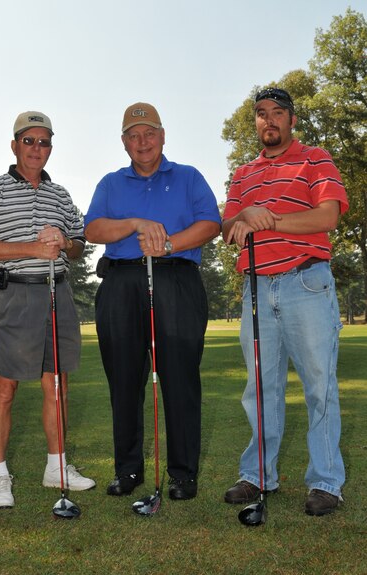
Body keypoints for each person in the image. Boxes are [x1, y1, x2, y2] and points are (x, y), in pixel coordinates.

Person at [84, 102, 221, 500]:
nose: (142, 142)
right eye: (133, 135)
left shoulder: (188, 176)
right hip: (122, 282)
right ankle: (128, 472)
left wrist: (169, 243)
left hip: (176, 278)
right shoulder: (111, 183)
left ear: (162, 136)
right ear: (124, 142)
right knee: (124, 381)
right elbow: (92, 229)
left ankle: (183, 474)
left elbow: (211, 223)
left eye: (149, 133)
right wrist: (134, 224)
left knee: (179, 379)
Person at [222, 88, 348, 516]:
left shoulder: (315, 158)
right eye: (261, 114)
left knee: (319, 387)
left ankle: (326, 481)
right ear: (255, 122)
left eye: (277, 113)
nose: (269, 120)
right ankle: (258, 475)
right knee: (260, 388)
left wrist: (268, 219)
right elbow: (228, 228)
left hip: (306, 282)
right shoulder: (242, 174)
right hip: (257, 287)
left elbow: (327, 215)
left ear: (292, 120)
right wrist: (242, 217)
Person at [0, 111, 95, 509]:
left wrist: (64, 241)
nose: (37, 148)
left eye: (44, 142)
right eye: (29, 141)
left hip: (58, 292)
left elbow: (79, 243)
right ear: (14, 145)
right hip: (16, 294)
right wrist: (32, 248)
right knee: (5, 388)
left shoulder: (60, 195)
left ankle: (56, 467)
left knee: (57, 385)